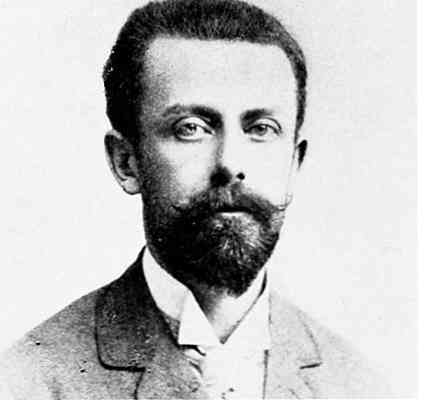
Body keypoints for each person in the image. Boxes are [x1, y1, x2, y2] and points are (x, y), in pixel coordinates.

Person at [0, 0, 391, 398]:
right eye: (191, 128)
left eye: (261, 128)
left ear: (294, 163)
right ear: (126, 162)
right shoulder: (27, 380)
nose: (231, 163)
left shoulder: (361, 386)